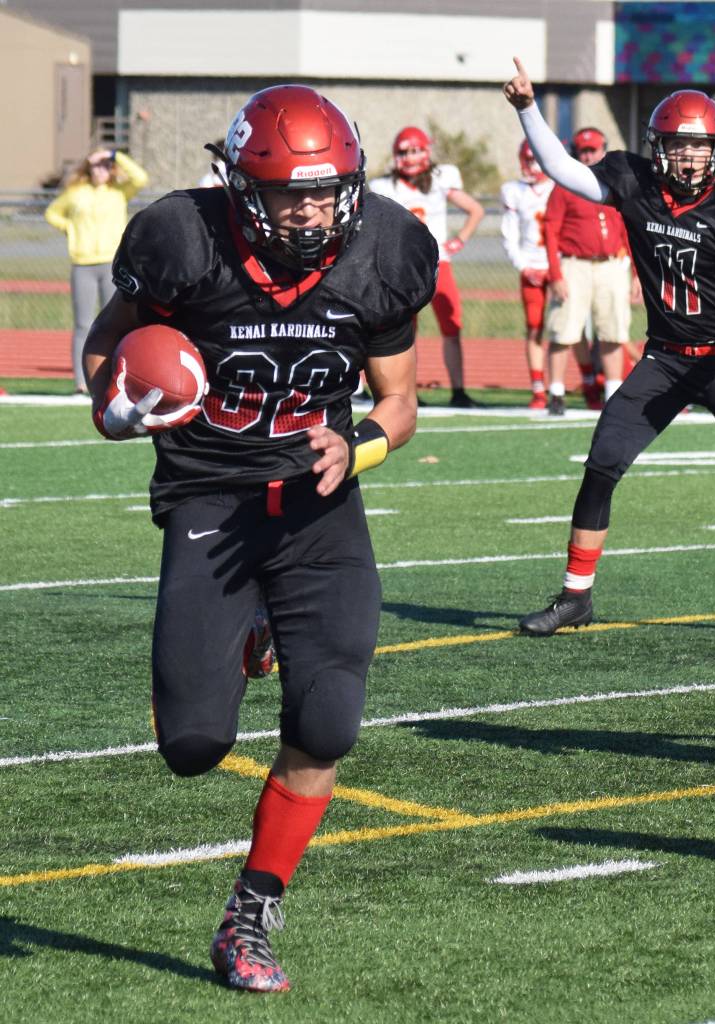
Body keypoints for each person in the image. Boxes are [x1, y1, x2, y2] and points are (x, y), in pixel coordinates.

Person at [83, 85, 438, 991]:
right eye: (289, 193)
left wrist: (357, 444)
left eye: (326, 190)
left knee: (327, 722)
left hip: (319, 507)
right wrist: (116, 406)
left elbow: (398, 402)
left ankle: (251, 912)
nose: (312, 208)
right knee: (192, 747)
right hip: (211, 497)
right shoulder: (179, 240)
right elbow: (106, 348)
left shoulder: (385, 252)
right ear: (242, 186)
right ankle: (243, 631)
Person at [504, 58, 715, 636]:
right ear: (657, 149)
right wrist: (529, 108)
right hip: (663, 359)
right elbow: (564, 171)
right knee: (602, 463)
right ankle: (575, 597)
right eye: (678, 147)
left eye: (699, 147)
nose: (688, 158)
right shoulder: (635, 185)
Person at [369, 126, 485, 407]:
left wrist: (459, 240)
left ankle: (458, 390)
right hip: (400, 268)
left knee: (451, 325)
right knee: (401, 333)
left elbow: (475, 209)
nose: (409, 157)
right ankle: (404, 392)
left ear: (426, 151)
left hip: (437, 263)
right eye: (404, 152)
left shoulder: (440, 178)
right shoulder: (384, 186)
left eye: (414, 150)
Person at [542, 126, 639, 416]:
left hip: (611, 264)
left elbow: (628, 230)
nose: (588, 155)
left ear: (603, 150)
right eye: (583, 150)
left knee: (613, 330)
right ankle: (556, 392)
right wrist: (555, 274)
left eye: (593, 149)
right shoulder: (565, 185)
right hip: (575, 264)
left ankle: (612, 391)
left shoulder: (616, 183)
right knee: (564, 329)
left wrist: (636, 272)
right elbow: (550, 230)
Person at [45, 148, 149, 393]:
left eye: (105, 166)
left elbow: (141, 178)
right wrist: (70, 228)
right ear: (88, 167)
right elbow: (52, 213)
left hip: (112, 265)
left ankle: (117, 376)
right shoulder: (76, 193)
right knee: (83, 324)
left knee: (116, 322)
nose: (100, 170)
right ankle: (81, 382)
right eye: (96, 165)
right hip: (83, 264)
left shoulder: (118, 192)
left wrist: (114, 155)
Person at [500, 141, 554, 409]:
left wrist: (558, 267)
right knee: (535, 328)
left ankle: (588, 382)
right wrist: (524, 267)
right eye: (528, 159)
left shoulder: (559, 188)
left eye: (537, 159)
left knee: (566, 332)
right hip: (532, 268)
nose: (533, 165)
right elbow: (509, 236)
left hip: (558, 270)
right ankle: (538, 388)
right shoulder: (514, 192)